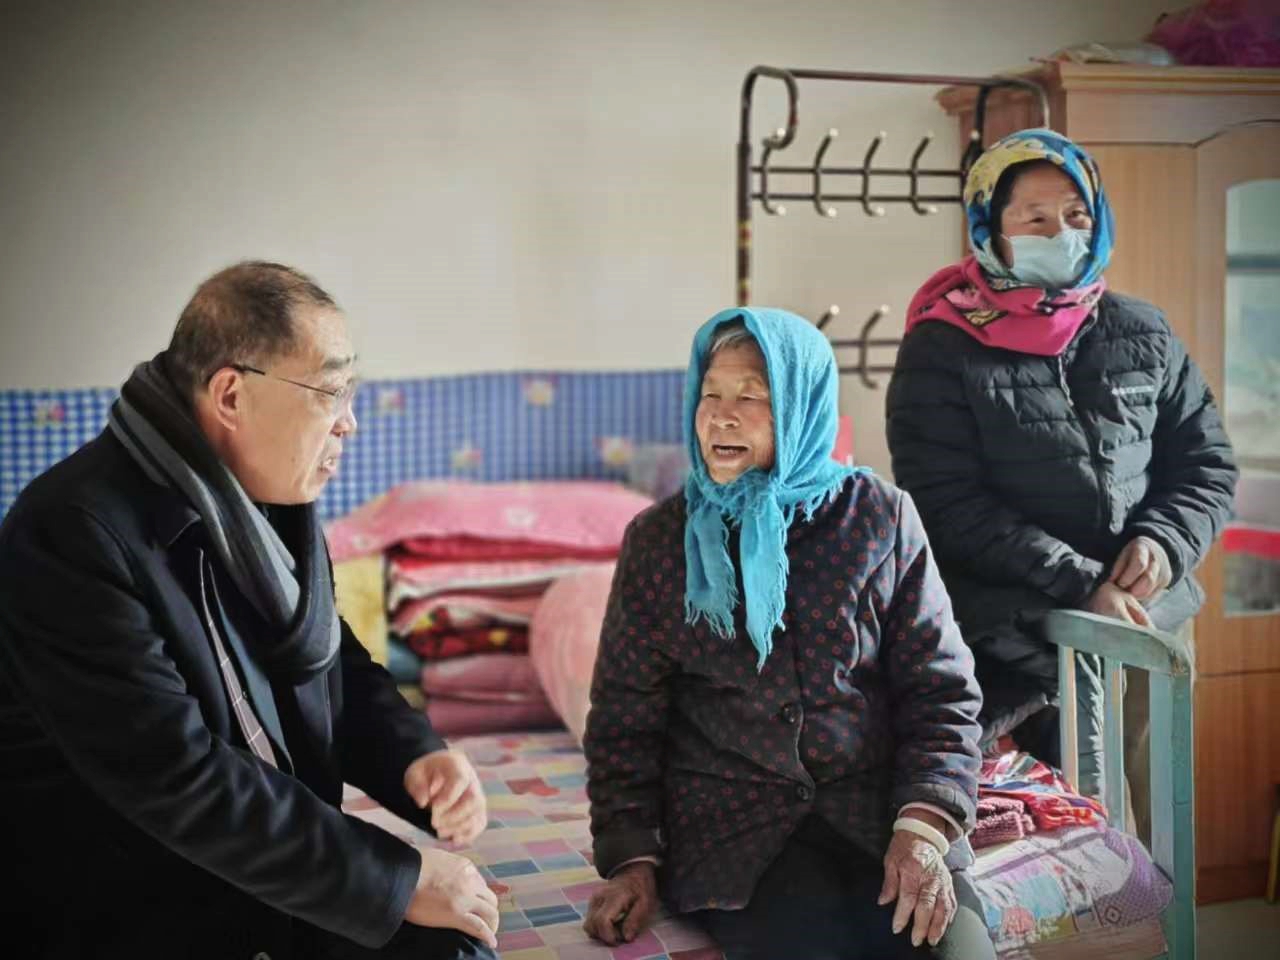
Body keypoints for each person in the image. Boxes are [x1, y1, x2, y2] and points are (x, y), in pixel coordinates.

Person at [0, 262, 500, 959]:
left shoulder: (262, 501)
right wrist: (394, 879)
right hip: (135, 901)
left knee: (460, 944)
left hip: (266, 870)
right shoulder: (70, 534)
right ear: (231, 395)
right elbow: (177, 776)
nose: (349, 422)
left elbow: (327, 658)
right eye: (330, 391)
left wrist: (413, 755)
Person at [581, 308, 996, 960]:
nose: (722, 417)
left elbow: (941, 692)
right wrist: (630, 859)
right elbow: (624, 719)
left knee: (957, 948)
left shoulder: (880, 518)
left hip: (881, 815)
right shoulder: (660, 541)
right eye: (710, 394)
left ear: (802, 406)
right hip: (737, 839)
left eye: (751, 397)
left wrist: (922, 827)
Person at [885, 129, 1236, 822]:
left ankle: (1159, 902)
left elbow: (1206, 462)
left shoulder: (1143, 330)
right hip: (1023, 640)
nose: (1060, 233)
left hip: (1152, 620)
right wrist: (1083, 585)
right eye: (1035, 218)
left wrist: (1164, 543)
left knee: (1162, 823)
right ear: (991, 228)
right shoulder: (942, 346)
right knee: (1068, 830)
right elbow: (946, 504)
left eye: (1076, 215)